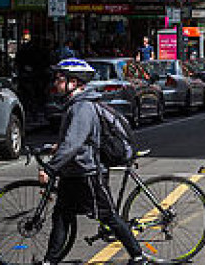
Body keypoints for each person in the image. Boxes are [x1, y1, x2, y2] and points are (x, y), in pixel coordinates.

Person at [39, 58, 146, 265]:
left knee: (109, 217)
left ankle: (138, 256)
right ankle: (49, 261)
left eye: (60, 79)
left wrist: (50, 169)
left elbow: (74, 143)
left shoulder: (82, 108)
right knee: (61, 216)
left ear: (74, 82)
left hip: (87, 174)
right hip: (73, 173)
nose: (56, 83)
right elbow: (74, 139)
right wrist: (57, 147)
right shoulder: (75, 106)